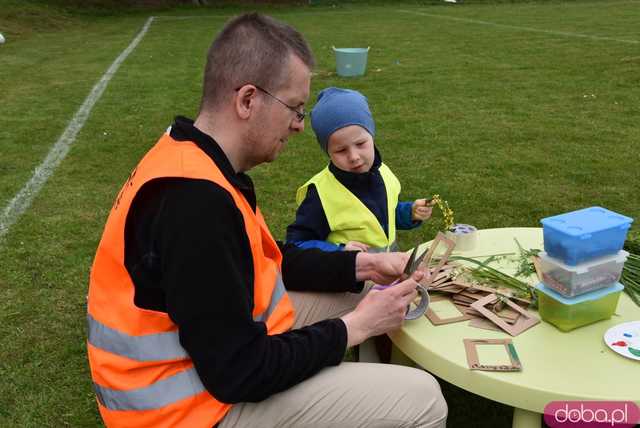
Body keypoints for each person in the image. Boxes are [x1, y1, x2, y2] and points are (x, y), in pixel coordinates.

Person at [86, 13, 447, 428]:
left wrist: (364, 265)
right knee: (424, 399)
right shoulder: (195, 203)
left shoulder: (193, 155)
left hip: (206, 363)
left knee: (364, 287)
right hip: (183, 410)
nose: (298, 126)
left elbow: (261, 262)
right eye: (294, 108)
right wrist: (355, 328)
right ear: (247, 100)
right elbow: (239, 371)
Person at [286, 87, 433, 253]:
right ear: (328, 152)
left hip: (388, 268)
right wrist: (338, 251)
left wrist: (409, 213)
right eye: (341, 150)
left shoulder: (383, 172)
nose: (354, 156)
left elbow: (382, 216)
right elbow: (297, 243)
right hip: (347, 275)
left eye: (361, 144)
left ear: (372, 135)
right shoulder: (320, 195)